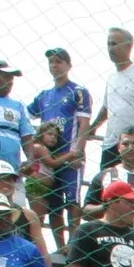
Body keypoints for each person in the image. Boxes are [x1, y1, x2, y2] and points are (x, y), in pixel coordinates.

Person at [28, 48, 92, 227]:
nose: (54, 65)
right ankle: (60, 245)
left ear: (68, 65)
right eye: (51, 62)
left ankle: (74, 243)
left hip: (70, 153)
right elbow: (26, 116)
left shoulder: (77, 92)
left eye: (59, 61)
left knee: (72, 199)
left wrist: (78, 151)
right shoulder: (43, 96)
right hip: (48, 157)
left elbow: (84, 123)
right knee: (53, 203)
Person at [90, 28, 134, 157]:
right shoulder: (111, 77)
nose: (110, 49)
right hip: (111, 145)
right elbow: (106, 108)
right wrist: (93, 127)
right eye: (109, 44)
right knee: (108, 177)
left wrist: (133, 134)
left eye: (114, 44)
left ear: (129, 46)